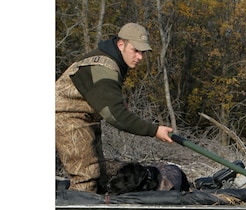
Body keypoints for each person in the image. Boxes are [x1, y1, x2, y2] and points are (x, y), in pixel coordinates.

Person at [56, 23, 173, 193]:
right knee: (86, 175)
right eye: (136, 50)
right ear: (121, 45)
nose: (140, 57)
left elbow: (99, 93)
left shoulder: (111, 61)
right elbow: (116, 116)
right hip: (67, 116)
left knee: (99, 171)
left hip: (85, 117)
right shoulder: (105, 67)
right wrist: (154, 130)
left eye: (143, 52)